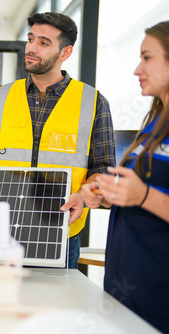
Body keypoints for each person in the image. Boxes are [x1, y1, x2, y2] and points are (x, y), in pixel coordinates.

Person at [0, 12, 116, 269]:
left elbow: (103, 169)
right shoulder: (1, 96)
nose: (31, 48)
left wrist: (82, 195)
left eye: (43, 43)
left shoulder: (93, 102)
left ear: (65, 53)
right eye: (31, 39)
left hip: (60, 233)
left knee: (56, 308)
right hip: (0, 232)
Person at [81, 21, 169, 333]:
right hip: (128, 291)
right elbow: (144, 193)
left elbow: (146, 195)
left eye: (147, 57)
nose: (137, 69)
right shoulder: (155, 123)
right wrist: (107, 195)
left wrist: (141, 195)